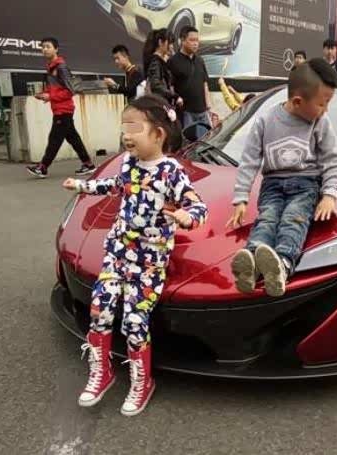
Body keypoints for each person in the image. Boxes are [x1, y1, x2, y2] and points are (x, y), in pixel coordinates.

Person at [62, 95, 208, 416]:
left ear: (158, 134)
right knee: (99, 310)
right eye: (123, 128)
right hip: (117, 251)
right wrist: (83, 186)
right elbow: (116, 185)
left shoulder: (171, 171)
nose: (126, 136)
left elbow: (198, 205)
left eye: (134, 128)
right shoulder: (128, 163)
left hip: (148, 262)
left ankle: (142, 382)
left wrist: (187, 216)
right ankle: (101, 372)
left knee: (134, 321)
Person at [227, 58, 337, 297]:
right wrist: (241, 198)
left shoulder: (320, 122)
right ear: (298, 101)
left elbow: (332, 161)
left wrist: (329, 195)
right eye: (323, 104)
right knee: (267, 219)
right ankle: (252, 263)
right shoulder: (265, 120)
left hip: (306, 185)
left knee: (293, 219)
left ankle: (282, 264)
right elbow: (249, 161)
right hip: (272, 185)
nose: (326, 110)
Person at [26, 37, 95, 178]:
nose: (45, 49)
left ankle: (42, 167)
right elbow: (56, 88)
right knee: (73, 138)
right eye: (43, 47)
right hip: (60, 109)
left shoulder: (61, 67)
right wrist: (44, 94)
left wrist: (50, 97)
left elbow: (70, 91)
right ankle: (88, 164)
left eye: (48, 46)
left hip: (64, 110)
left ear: (56, 49)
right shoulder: (51, 67)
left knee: (54, 139)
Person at [168, 26, 212, 138]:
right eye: (192, 40)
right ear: (182, 41)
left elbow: (204, 84)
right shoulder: (173, 61)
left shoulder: (200, 60)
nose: (196, 43)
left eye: (197, 40)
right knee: (188, 144)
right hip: (186, 113)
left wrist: (208, 106)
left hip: (202, 111)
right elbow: (170, 86)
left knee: (205, 141)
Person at [143, 29, 182, 107]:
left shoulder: (159, 61)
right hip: (159, 105)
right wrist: (175, 96)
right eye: (170, 43)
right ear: (160, 42)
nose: (172, 47)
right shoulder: (155, 62)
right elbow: (156, 86)